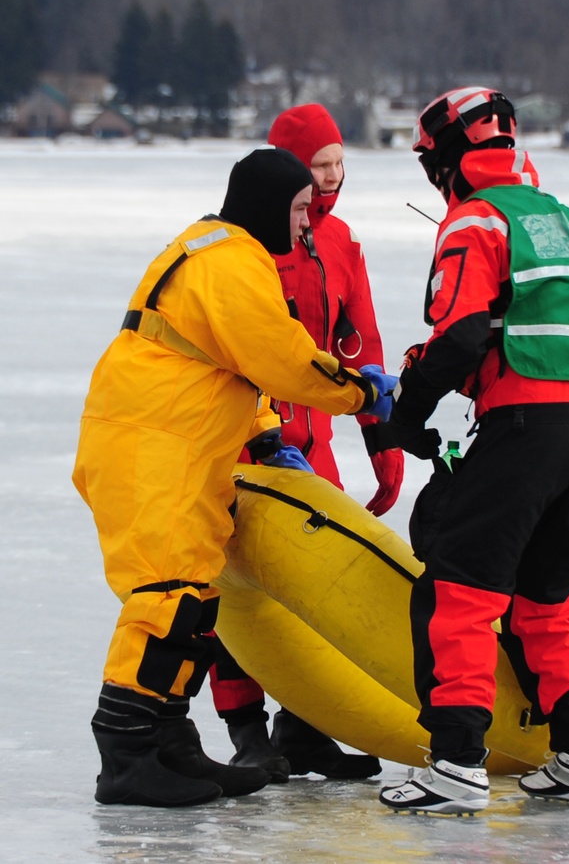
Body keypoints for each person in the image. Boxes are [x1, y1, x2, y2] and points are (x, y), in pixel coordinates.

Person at [72, 145, 396, 808]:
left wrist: (265, 434)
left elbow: (213, 360)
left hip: (169, 438)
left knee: (194, 590)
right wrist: (363, 393)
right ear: (269, 206)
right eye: (301, 208)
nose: (308, 224)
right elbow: (282, 360)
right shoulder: (233, 263)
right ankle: (126, 754)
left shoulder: (212, 249)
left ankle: (168, 741)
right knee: (165, 594)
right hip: (152, 444)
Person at [378, 87, 569, 815]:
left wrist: (406, 415)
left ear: (451, 161)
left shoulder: (474, 223)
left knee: (457, 583)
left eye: (432, 166)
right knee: (546, 593)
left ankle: (455, 760)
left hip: (524, 428)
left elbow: (458, 337)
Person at [208, 104, 398, 783]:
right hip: (244, 440)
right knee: (240, 594)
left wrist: (385, 448)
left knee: (319, 596)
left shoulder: (342, 243)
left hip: (312, 449)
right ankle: (247, 732)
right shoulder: (251, 245)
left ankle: (306, 728)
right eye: (319, 166)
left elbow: (362, 346)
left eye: (340, 163)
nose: (333, 177)